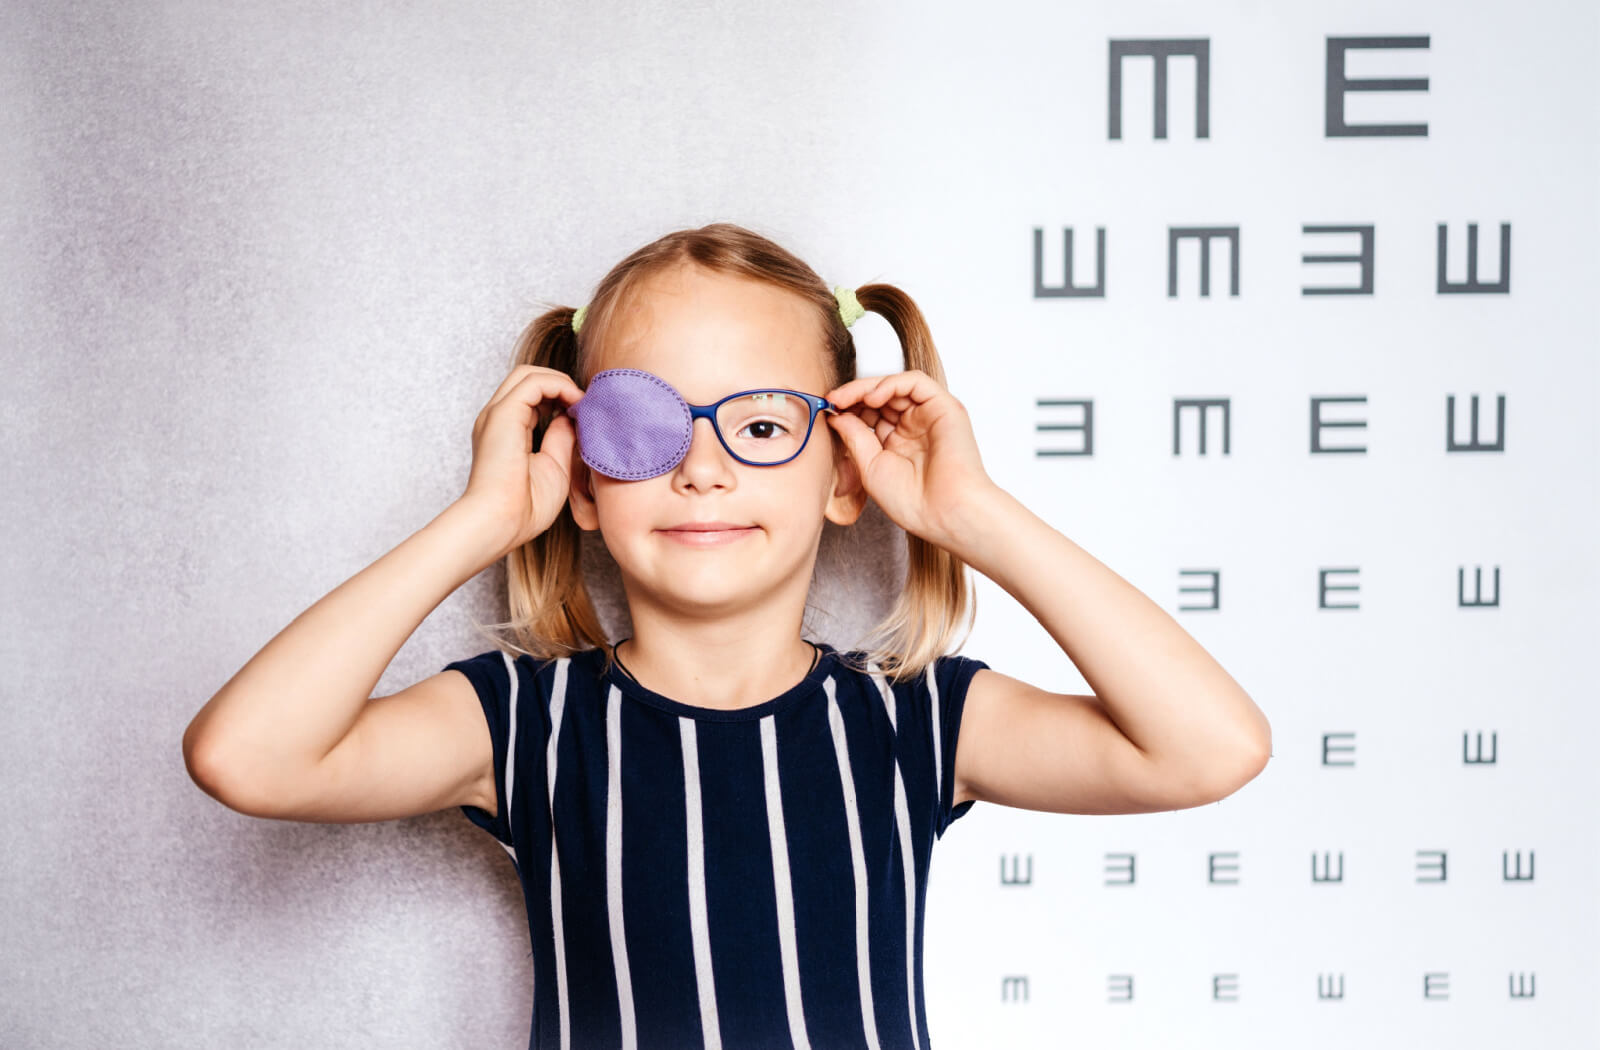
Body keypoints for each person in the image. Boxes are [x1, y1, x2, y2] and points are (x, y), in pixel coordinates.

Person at [182, 222, 1272, 1050]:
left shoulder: (917, 718)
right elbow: (248, 757)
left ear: (843, 472)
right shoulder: (523, 721)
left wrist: (967, 513)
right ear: (583, 480)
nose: (701, 467)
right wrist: (482, 520)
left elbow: (1208, 748)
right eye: (643, 427)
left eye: (759, 426)